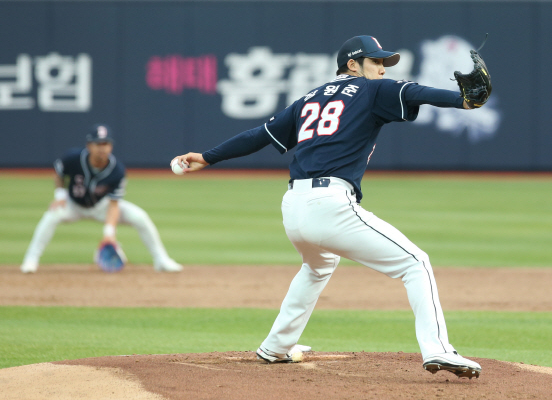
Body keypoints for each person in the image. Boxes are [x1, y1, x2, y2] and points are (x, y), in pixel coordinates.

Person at [171, 35, 488, 378]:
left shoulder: (309, 98)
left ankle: (276, 346)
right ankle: (439, 349)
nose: (382, 69)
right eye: (376, 61)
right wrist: (462, 101)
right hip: (329, 204)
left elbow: (259, 135)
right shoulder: (372, 90)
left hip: (293, 206)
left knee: (318, 266)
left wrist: (207, 157)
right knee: (416, 264)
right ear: (352, 64)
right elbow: (416, 92)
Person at [21, 124, 183, 273]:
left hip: (101, 206)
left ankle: (161, 260)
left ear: (111, 146)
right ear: (89, 145)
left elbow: (114, 204)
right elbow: (59, 174)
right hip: (73, 205)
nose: (102, 148)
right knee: (51, 216)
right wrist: (60, 195)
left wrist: (109, 234)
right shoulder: (73, 158)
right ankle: (31, 259)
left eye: (106, 144)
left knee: (140, 217)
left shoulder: (117, 170)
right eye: (98, 144)